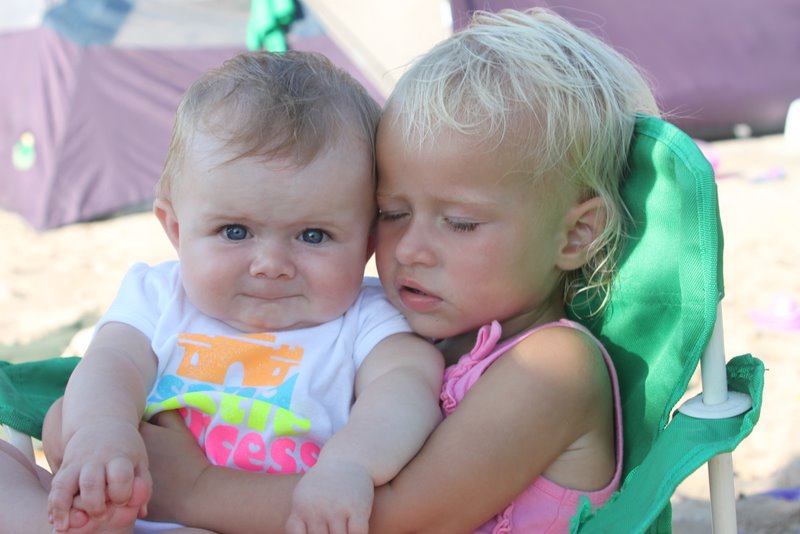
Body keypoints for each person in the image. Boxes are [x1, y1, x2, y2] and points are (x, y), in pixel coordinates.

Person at [117, 7, 661, 533]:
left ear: (575, 235)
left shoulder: (554, 367)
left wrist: (193, 490)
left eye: (460, 223)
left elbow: (405, 519)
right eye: (391, 213)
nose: (409, 250)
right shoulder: (411, 334)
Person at [0, 50, 444, 534]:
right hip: (133, 509)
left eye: (313, 235)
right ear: (175, 228)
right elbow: (111, 363)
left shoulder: (366, 319)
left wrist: (351, 465)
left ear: (368, 242)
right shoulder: (159, 295)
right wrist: (102, 431)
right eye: (235, 231)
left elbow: (406, 388)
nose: (271, 265)